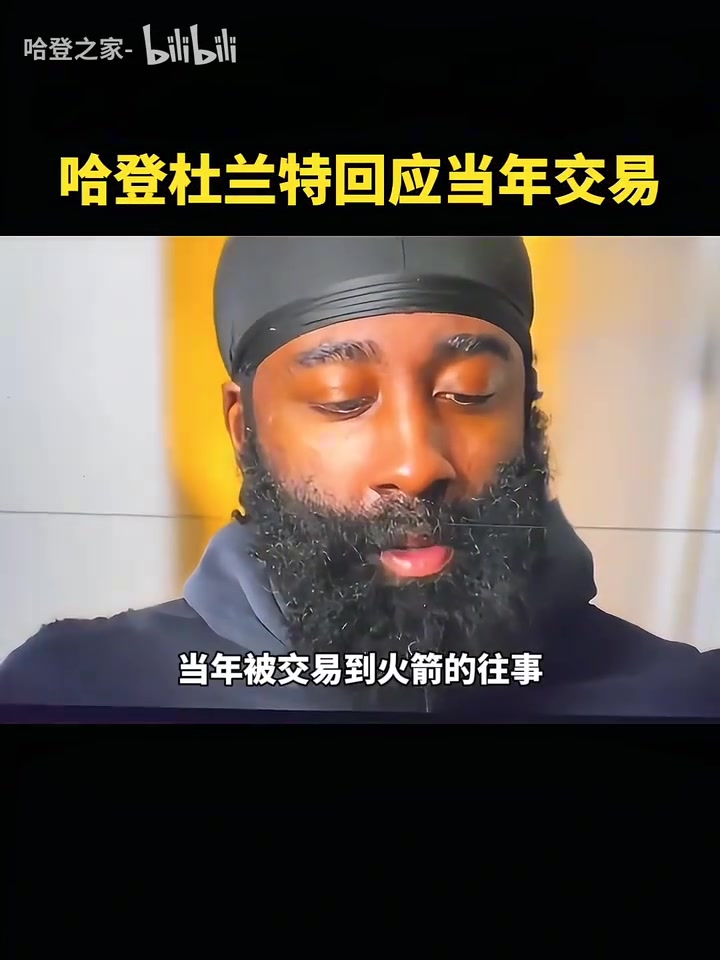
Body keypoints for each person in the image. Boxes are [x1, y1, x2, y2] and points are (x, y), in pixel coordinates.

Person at [0, 236, 718, 717]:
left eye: (469, 392)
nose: (416, 463)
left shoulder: (680, 697)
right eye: (343, 400)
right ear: (244, 427)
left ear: (526, 406)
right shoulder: (77, 690)